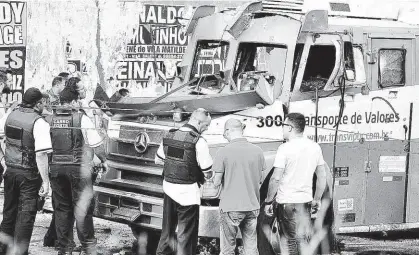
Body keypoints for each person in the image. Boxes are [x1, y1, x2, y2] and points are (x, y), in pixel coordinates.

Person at [45, 86, 107, 255]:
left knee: (61, 209)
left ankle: (65, 249)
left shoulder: (49, 119)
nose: (79, 103)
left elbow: (44, 148)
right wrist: (104, 160)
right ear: (73, 101)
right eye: (78, 100)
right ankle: (88, 248)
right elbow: (96, 144)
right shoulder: (81, 118)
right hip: (78, 169)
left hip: (56, 169)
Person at [264, 113, 327, 255]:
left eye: (284, 126)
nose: (282, 129)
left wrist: (268, 201)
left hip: (287, 203)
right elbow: (321, 176)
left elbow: (275, 178)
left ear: (290, 128)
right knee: (302, 240)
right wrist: (317, 198)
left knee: (289, 242)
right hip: (305, 202)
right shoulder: (315, 147)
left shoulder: (284, 148)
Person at [0, 88, 51, 255]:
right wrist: (45, 181)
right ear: (37, 104)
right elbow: (41, 155)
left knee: (8, 214)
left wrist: (5, 160)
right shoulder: (39, 122)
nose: (44, 105)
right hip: (28, 175)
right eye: (43, 103)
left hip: (10, 172)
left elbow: (3, 136)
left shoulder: (10, 114)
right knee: (25, 217)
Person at [155, 108, 213, 255]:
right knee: (186, 235)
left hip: (169, 189)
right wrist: (209, 175)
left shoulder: (170, 135)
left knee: (166, 232)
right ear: (198, 122)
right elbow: (207, 170)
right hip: (188, 194)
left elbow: (158, 160)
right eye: (206, 125)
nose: (206, 129)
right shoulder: (198, 141)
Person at [212, 118, 266, 255]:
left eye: (225, 133)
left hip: (230, 207)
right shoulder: (258, 151)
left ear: (228, 130)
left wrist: (214, 177)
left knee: (228, 249)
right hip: (253, 206)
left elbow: (216, 182)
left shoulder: (222, 152)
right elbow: (261, 179)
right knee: (251, 248)